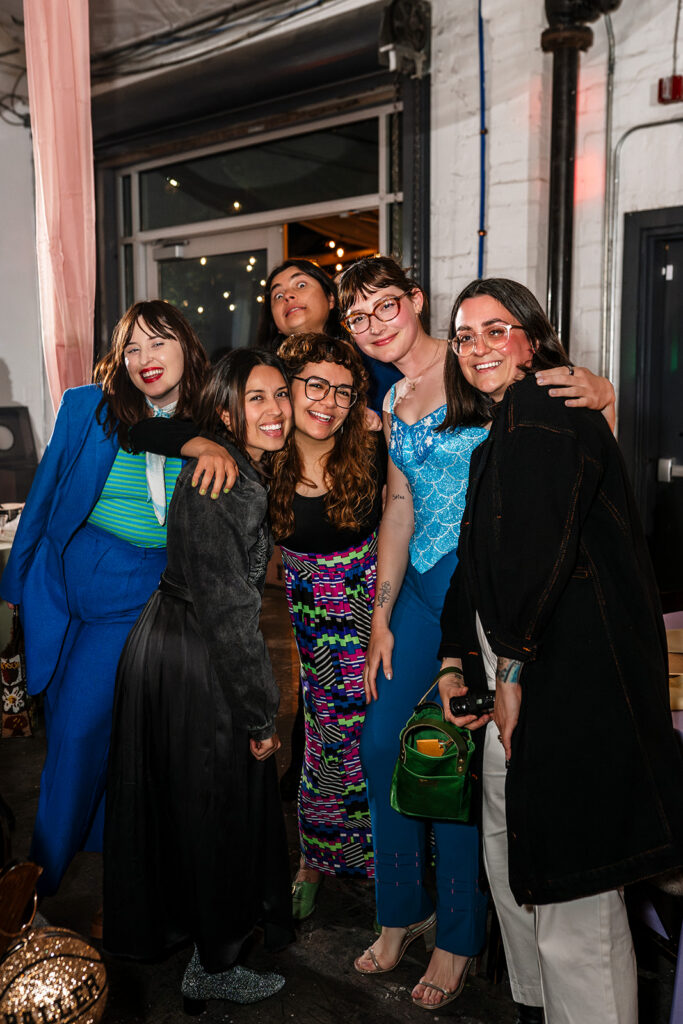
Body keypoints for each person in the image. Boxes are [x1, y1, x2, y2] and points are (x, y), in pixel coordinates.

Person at [336, 256, 617, 1011]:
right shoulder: (393, 398)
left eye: (383, 306)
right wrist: (381, 618)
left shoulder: (493, 376)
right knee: (377, 747)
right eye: (355, 318)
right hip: (423, 591)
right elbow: (398, 505)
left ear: (414, 301)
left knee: (461, 760)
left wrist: (602, 390)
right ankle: (401, 913)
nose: (371, 326)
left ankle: (460, 938)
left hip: (493, 588)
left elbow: (576, 458)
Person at [437, 277, 683, 1024]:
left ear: (534, 339)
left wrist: (508, 671)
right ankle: (539, 1009)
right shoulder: (503, 430)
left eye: (495, 329)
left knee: (571, 883)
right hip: (521, 663)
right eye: (464, 335)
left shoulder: (541, 410)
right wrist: (456, 657)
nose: (478, 346)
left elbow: (536, 554)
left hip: (558, 675)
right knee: (518, 858)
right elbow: (477, 561)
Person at [0, 300, 235, 903]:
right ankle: (96, 857)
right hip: (64, 588)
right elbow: (45, 498)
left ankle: (34, 885)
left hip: (142, 594)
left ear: (187, 344)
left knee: (79, 730)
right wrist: (15, 589)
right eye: (132, 348)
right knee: (75, 723)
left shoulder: (217, 419)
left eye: (157, 344)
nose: (143, 360)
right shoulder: (89, 407)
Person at [103, 348, 294, 1013]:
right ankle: (213, 964)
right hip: (196, 656)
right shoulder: (226, 481)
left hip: (172, 640)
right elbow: (231, 612)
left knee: (190, 806)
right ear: (224, 413)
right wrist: (260, 716)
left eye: (280, 396)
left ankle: (203, 940)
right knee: (217, 810)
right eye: (257, 399)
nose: (274, 411)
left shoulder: (230, 464)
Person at [270, 332, 385, 918]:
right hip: (314, 626)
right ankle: (314, 860)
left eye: (343, 390)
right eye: (315, 384)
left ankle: (388, 862)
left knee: (379, 737)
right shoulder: (263, 457)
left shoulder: (372, 445)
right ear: (287, 388)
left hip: (376, 612)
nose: (329, 400)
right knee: (324, 743)